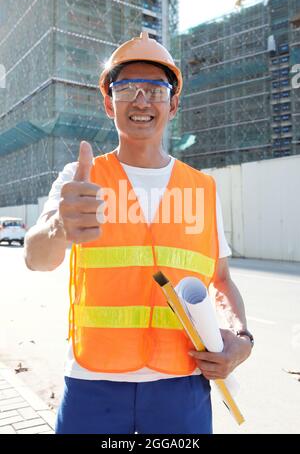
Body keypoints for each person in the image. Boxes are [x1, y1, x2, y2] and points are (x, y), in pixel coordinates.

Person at [24, 31, 253, 434]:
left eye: (156, 89)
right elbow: (35, 258)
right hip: (93, 383)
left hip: (182, 383)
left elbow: (220, 280)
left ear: (174, 103)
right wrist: (60, 226)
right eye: (127, 88)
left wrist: (241, 336)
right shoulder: (80, 179)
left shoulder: (203, 188)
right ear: (109, 103)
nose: (142, 100)